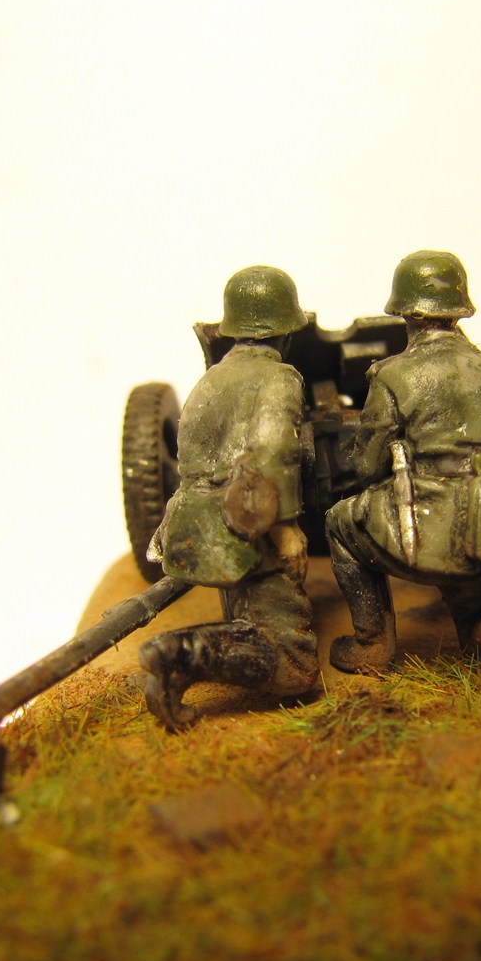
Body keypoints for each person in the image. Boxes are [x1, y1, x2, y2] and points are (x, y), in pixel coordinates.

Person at [325, 250, 481, 714]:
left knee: (339, 523)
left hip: (430, 527)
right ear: (459, 310)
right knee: (478, 605)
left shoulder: (394, 374)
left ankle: (372, 644)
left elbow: (368, 466)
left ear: (406, 314)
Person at [139, 266, 320, 731]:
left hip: (194, 520)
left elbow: (191, 457)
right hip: (245, 526)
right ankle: (179, 654)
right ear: (285, 331)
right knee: (294, 665)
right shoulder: (279, 378)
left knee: (248, 615)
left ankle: (188, 656)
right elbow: (274, 448)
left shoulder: (211, 379)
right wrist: (286, 528)